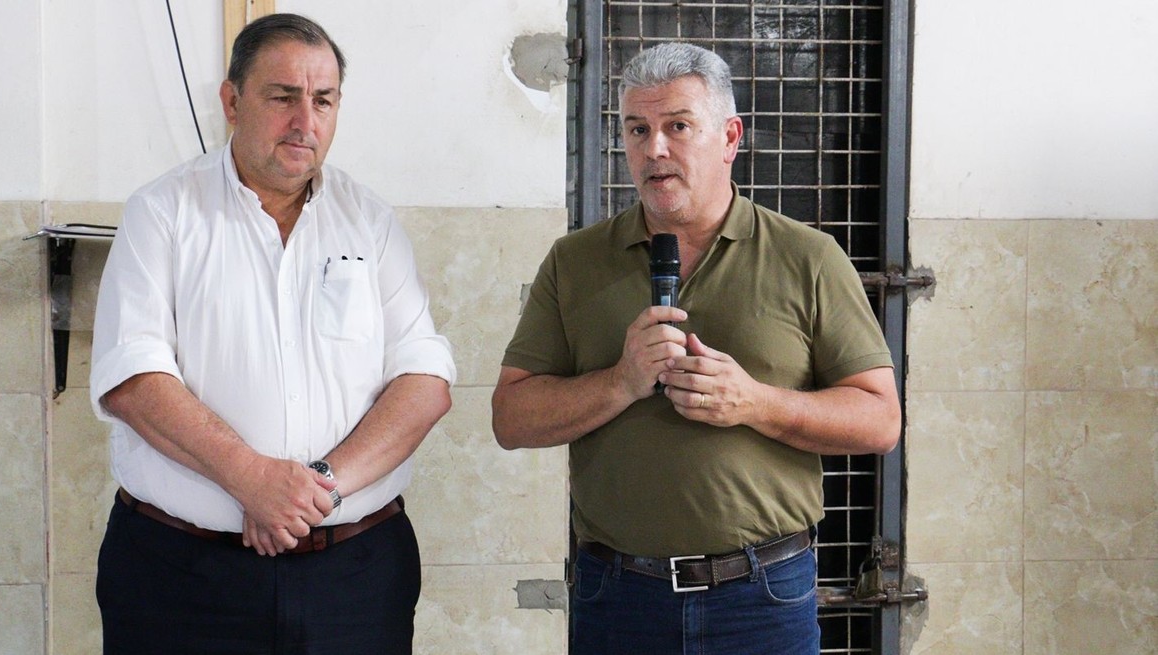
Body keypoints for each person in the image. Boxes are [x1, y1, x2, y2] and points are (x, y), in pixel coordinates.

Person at [492, 42, 901, 654]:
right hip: (618, 598)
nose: (654, 149)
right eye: (638, 129)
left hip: (761, 598)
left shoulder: (809, 258)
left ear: (730, 137)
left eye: (677, 126)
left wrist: (754, 402)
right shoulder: (574, 262)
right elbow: (510, 418)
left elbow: (880, 420)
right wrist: (620, 382)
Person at [89, 13, 455, 654]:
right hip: (180, 577)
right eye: (283, 97)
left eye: (323, 100)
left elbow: (424, 382)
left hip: (356, 576)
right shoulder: (163, 212)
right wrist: (250, 478)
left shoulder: (370, 222)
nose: (304, 121)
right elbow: (133, 379)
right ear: (232, 102)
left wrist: (314, 489)